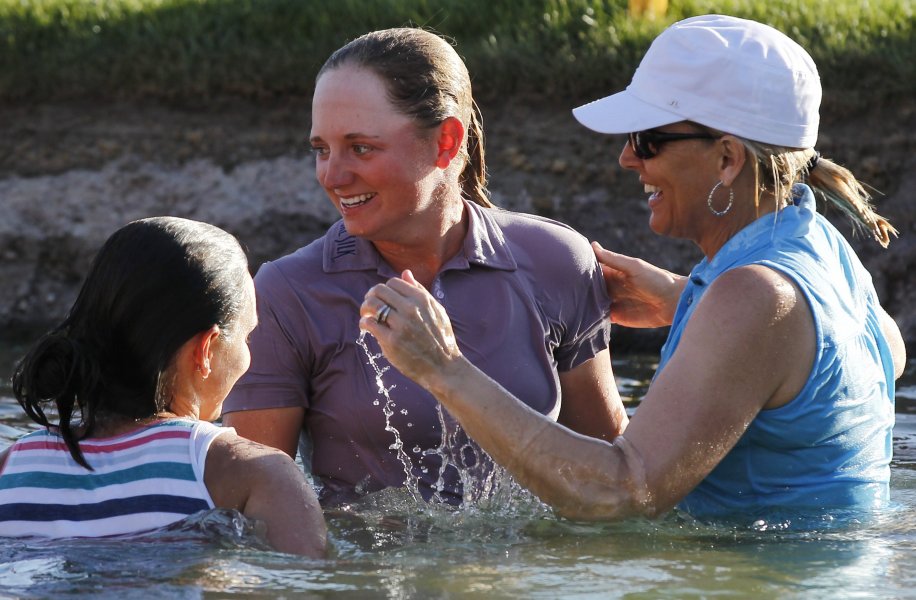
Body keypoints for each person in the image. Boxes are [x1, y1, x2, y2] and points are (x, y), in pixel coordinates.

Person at [359, 14, 907, 522]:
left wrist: (443, 368)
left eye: (648, 140)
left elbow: (621, 491)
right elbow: (879, 352)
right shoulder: (820, 245)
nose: (628, 158)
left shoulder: (754, 295)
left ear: (727, 158)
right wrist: (685, 301)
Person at [222, 27, 627, 506]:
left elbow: (612, 480)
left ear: (446, 141)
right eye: (321, 149)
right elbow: (256, 516)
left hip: (526, 577)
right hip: (365, 578)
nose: (332, 176)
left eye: (361, 147)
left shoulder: (555, 260)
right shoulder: (287, 292)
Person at [0, 217, 326, 557]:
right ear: (206, 349)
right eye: (247, 336)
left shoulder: (11, 468)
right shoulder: (254, 473)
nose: (249, 355)